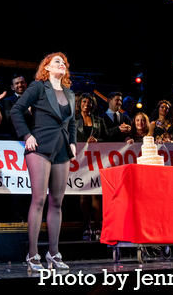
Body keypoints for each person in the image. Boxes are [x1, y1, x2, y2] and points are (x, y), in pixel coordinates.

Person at [10, 53, 77, 272]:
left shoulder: (70, 93)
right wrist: (27, 136)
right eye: (57, 61)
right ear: (47, 67)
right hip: (39, 147)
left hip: (62, 149)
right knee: (39, 200)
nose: (62, 64)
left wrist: (73, 143)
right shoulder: (39, 87)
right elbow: (16, 110)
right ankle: (32, 255)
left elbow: (72, 122)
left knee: (57, 202)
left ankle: (54, 253)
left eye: (64, 62)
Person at [75, 92, 107, 241]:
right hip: (80, 161)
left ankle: (98, 227)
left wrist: (96, 140)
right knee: (83, 194)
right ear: (80, 104)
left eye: (89, 102)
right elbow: (70, 137)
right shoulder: (73, 121)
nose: (86, 104)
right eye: (84, 102)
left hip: (96, 160)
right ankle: (86, 227)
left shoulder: (99, 121)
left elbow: (106, 138)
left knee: (96, 193)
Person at [0, 74, 32, 140]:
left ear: (26, 84)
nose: (20, 85)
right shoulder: (8, 101)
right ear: (12, 87)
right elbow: (9, 117)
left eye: (22, 82)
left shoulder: (33, 99)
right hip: (16, 138)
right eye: (17, 83)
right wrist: (28, 111)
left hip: (34, 137)